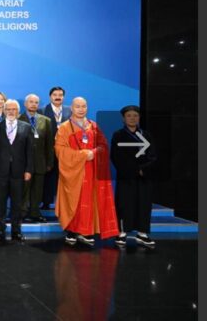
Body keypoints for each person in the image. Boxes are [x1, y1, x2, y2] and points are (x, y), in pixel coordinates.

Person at [55, 97, 119, 247]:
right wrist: (83, 155)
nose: (81, 109)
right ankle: (71, 230)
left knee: (89, 201)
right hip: (73, 172)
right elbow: (59, 150)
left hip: (92, 172)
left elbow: (103, 145)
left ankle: (86, 231)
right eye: (77, 106)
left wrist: (95, 152)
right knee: (73, 201)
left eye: (84, 106)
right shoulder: (64, 128)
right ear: (72, 108)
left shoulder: (93, 126)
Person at [110, 105, 157, 248]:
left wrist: (143, 169)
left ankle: (142, 234)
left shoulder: (146, 135)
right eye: (129, 115)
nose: (132, 118)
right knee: (125, 204)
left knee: (143, 204)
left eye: (135, 115)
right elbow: (116, 157)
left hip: (144, 177)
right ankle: (122, 233)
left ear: (139, 118)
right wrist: (135, 170)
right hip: (126, 177)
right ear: (123, 118)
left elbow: (153, 156)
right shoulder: (118, 135)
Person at [0, 100, 34, 242]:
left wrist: (28, 170)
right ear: (4, 110)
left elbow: (30, 152)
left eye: (14, 109)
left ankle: (16, 230)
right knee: (0, 202)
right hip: (0, 171)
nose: (11, 111)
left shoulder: (26, 127)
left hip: (19, 172)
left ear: (18, 111)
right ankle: (0, 230)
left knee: (17, 203)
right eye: (8, 109)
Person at [20, 94, 55, 223]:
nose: (33, 104)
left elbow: (49, 144)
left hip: (41, 162)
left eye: (36, 102)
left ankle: (35, 212)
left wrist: (50, 162)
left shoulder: (46, 120)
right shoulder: (18, 118)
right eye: (31, 102)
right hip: (23, 163)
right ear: (25, 103)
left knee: (38, 190)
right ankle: (22, 212)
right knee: (24, 189)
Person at [42, 86, 71, 210]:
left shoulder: (70, 111)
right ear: (50, 97)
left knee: (65, 177)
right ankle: (47, 202)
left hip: (66, 150)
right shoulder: (42, 111)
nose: (58, 97)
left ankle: (64, 202)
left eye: (60, 94)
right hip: (48, 149)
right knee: (48, 177)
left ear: (63, 97)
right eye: (55, 95)